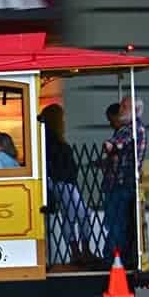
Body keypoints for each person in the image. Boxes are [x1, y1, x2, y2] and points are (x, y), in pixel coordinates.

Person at [40, 104, 93, 264]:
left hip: (61, 182)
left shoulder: (48, 138)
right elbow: (58, 164)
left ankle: (78, 251)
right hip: (63, 182)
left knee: (72, 216)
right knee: (82, 214)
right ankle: (81, 251)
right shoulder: (53, 141)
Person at [102, 96, 147, 264]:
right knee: (116, 223)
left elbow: (119, 144)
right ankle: (115, 258)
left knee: (116, 224)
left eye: (124, 106)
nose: (120, 108)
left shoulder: (132, 128)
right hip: (119, 183)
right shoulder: (128, 127)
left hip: (121, 185)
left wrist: (109, 145)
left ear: (134, 110)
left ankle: (113, 260)